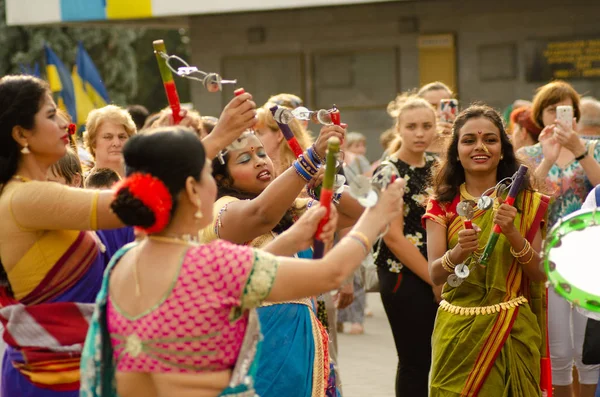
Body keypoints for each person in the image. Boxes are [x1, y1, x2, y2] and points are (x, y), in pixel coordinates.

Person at [79, 127, 405, 397]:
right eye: (209, 175)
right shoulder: (213, 262)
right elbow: (330, 273)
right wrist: (375, 219)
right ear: (193, 189)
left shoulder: (124, 262)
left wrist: (293, 238)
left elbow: (244, 273)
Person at [200, 126, 363, 397]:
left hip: (302, 339)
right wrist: (309, 160)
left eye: (262, 153)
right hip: (256, 340)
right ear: (221, 178)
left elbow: (355, 213)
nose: (259, 161)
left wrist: (326, 187)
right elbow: (260, 215)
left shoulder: (291, 208)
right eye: (244, 159)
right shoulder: (221, 209)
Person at [0, 75, 125, 397]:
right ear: (20, 134)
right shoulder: (25, 198)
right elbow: (133, 205)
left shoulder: (32, 194)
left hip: (74, 367)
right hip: (52, 378)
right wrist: (202, 146)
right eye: (51, 114)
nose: (65, 125)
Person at [424, 104, 550, 396]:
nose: (480, 147)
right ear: (456, 151)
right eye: (469, 140)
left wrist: (513, 233)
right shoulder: (442, 205)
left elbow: (539, 274)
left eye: (490, 140)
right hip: (457, 333)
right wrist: (457, 254)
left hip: (512, 329)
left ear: (503, 149)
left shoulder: (526, 202)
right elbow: (434, 275)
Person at [518, 81, 600, 397]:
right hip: (546, 255)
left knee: (588, 350)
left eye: (566, 110)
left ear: (576, 116)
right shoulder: (528, 153)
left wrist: (579, 149)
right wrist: (549, 157)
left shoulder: (593, 147)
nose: (559, 117)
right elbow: (526, 197)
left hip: (588, 257)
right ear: (541, 115)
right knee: (558, 352)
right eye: (553, 110)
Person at [374, 94, 440, 396]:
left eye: (427, 125)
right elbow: (393, 237)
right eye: (411, 126)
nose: (420, 133)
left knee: (440, 360)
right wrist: (435, 278)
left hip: (440, 271)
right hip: (403, 274)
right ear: (398, 128)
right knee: (415, 361)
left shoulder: (440, 167)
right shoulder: (388, 171)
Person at [84, 105, 137, 178]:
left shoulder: (142, 184)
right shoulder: (79, 184)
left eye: (122, 137)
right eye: (108, 137)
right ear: (93, 143)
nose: (116, 143)